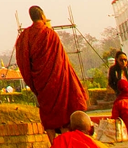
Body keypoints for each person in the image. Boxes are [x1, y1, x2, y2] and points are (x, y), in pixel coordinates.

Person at [15, 7, 90, 137]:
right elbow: (62, 62)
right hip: (57, 80)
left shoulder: (24, 36)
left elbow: (23, 62)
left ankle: (53, 146)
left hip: (40, 83)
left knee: (47, 114)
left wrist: (32, 82)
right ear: (43, 16)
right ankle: (65, 144)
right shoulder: (50, 34)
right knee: (62, 115)